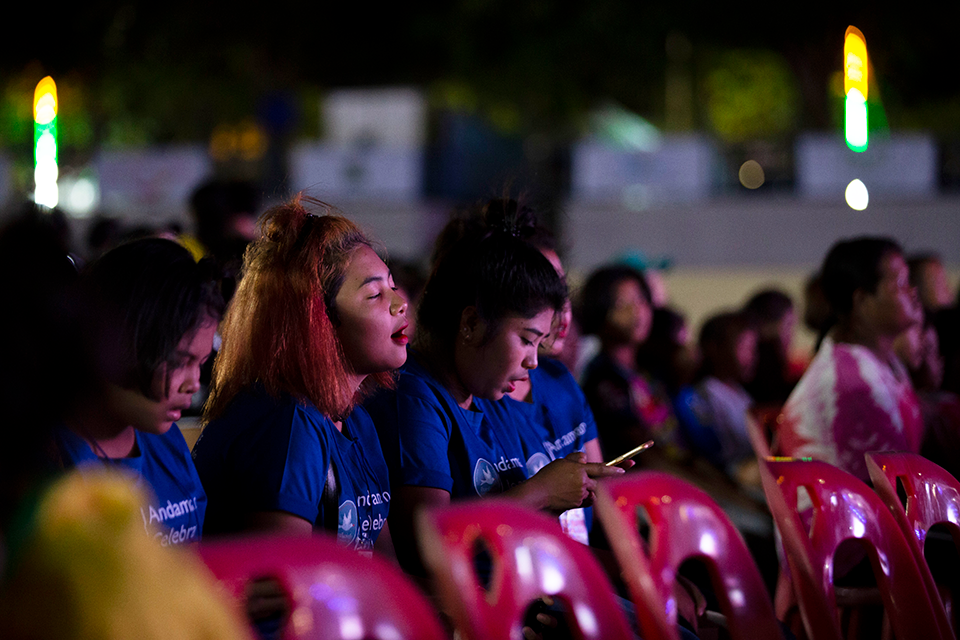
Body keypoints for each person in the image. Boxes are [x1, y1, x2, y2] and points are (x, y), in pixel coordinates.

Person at [364, 203, 625, 577]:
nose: (533, 362)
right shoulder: (415, 399)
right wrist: (541, 493)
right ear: (470, 323)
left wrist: (634, 570)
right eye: (526, 340)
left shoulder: (488, 396)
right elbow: (429, 549)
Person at [192, 196, 407, 553]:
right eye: (374, 294)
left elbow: (385, 570)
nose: (400, 303)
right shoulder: (287, 425)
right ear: (316, 321)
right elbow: (287, 586)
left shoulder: (356, 421)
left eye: (392, 286)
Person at [52, 238, 222, 547]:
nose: (194, 383)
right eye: (180, 361)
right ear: (118, 343)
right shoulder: (47, 461)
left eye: (201, 363)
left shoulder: (165, 437)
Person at [778, 237, 924, 482]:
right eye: (900, 284)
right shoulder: (854, 384)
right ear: (862, 301)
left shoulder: (876, 362)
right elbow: (896, 488)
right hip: (840, 519)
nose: (913, 292)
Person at [578, 265, 685, 465]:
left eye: (640, 299)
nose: (636, 310)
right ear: (599, 311)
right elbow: (643, 454)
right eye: (622, 303)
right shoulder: (603, 379)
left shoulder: (647, 371)